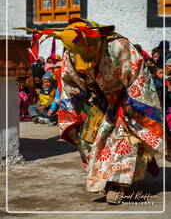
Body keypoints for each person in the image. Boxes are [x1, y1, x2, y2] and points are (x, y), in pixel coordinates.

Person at [40, 18, 163, 204]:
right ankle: (105, 179)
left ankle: (117, 185)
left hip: (126, 99)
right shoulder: (71, 51)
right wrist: (74, 110)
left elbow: (139, 77)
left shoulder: (119, 46)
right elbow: (70, 83)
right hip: (97, 100)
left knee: (121, 141)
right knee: (86, 140)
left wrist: (129, 109)